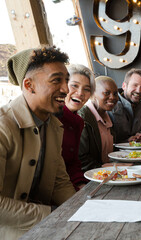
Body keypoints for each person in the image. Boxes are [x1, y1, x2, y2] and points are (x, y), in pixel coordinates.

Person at [0, 46, 76, 238]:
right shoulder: (3, 127)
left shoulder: (53, 126)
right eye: (56, 80)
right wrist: (54, 214)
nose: (66, 89)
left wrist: (82, 209)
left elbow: (60, 183)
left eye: (66, 80)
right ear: (29, 85)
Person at [56, 64, 95, 190]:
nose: (80, 93)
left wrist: (80, 185)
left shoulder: (78, 121)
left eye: (87, 89)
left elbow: (74, 163)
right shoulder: (51, 117)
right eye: (74, 86)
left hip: (70, 186)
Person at [78, 76, 119, 172]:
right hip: (89, 177)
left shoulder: (109, 117)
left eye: (115, 93)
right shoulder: (82, 117)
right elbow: (81, 158)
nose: (112, 97)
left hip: (106, 173)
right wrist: (104, 169)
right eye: (107, 93)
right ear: (92, 94)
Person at [109, 68, 141, 143]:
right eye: (135, 85)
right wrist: (127, 141)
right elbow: (106, 137)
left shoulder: (138, 107)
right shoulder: (111, 105)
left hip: (135, 153)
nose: (138, 90)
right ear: (124, 86)